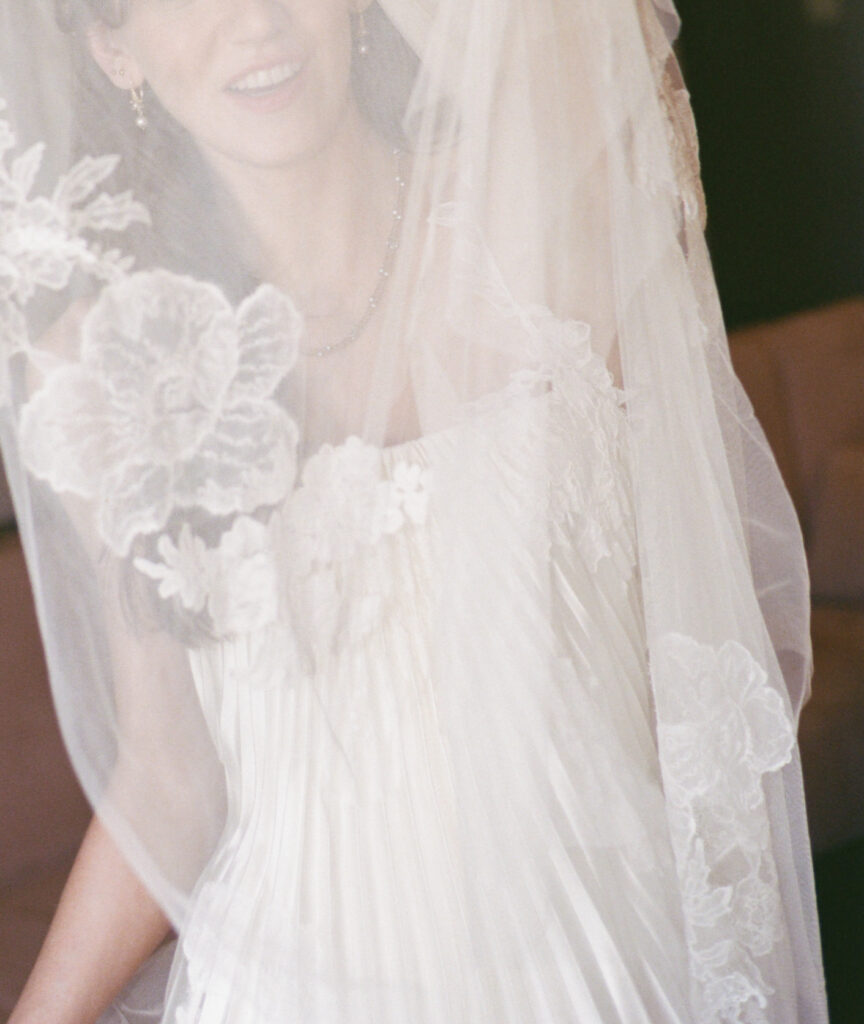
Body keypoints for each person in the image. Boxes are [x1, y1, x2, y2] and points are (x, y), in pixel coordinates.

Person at [0, 1, 828, 1022]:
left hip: (597, 971)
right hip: (281, 988)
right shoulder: (103, 366)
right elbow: (169, 779)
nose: (256, 19)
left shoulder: (541, 214)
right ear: (113, 48)